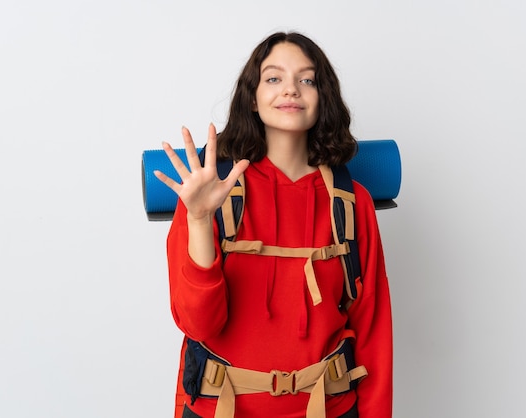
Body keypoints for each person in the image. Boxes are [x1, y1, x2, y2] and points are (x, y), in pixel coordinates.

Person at [154, 31, 392, 418]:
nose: (292, 90)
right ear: (253, 96)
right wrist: (198, 218)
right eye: (274, 78)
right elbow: (198, 324)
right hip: (223, 409)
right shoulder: (209, 192)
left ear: (322, 97)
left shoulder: (351, 202)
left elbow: (373, 331)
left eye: (307, 79)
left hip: (329, 408)